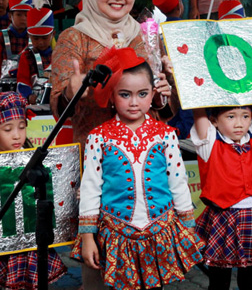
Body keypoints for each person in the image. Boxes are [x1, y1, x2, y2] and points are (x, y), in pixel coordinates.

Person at [50, 0, 174, 290]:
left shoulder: (145, 36)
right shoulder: (74, 39)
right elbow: (59, 105)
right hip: (98, 167)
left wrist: (163, 94)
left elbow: (161, 104)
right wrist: (73, 93)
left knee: (148, 251)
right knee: (100, 260)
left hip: (145, 164)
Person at [72, 47, 202, 289]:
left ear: (153, 94)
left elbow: (178, 181)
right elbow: (90, 188)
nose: (134, 102)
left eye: (142, 94)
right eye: (125, 94)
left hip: (159, 231)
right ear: (111, 96)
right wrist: (88, 236)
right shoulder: (98, 137)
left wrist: (188, 225)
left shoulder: (165, 135)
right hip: (116, 233)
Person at [191, 104, 252, 290]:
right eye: (231, 117)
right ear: (214, 121)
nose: (239, 123)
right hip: (222, 218)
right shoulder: (209, 142)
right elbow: (198, 110)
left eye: (245, 116)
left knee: (250, 281)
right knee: (219, 281)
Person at [0, 92, 67, 287]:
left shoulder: (35, 160)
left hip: (32, 237)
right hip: (1, 242)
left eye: (21, 127)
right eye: (8, 129)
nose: (17, 135)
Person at [0, 0, 32, 95]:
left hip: (30, 91)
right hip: (5, 92)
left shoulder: (35, 37)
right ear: (10, 16)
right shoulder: (1, 37)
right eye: (19, 15)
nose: (23, 19)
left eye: (27, 15)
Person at [16, 7, 54, 103]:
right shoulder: (27, 56)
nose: (40, 42)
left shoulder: (59, 54)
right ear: (29, 36)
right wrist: (29, 96)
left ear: (53, 34)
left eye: (44, 38)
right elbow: (22, 82)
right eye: (36, 38)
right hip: (34, 103)